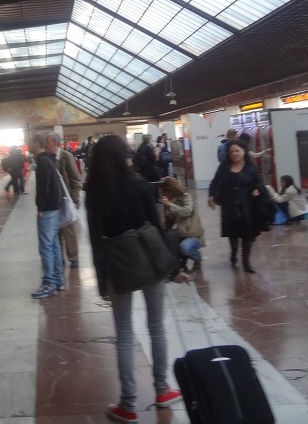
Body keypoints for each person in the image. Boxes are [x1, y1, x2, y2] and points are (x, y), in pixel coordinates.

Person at [85, 135, 182, 422]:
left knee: (124, 336)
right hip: (149, 260)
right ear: (122, 156)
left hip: (118, 266)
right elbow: (157, 225)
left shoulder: (94, 192)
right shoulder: (139, 184)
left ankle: (128, 404)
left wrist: (101, 279)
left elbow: (95, 239)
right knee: (156, 328)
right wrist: (173, 265)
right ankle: (162, 390)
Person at [208, 139, 266, 273]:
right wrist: (211, 195)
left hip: (247, 205)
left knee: (247, 235)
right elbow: (215, 182)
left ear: (244, 151)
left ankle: (246, 262)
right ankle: (233, 254)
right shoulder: (224, 167)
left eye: (237, 151)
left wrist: (257, 189)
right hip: (229, 205)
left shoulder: (251, 168)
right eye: (231, 152)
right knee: (232, 234)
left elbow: (259, 183)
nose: (234, 154)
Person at [29, 134, 64, 298]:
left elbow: (44, 187)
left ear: (37, 144)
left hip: (48, 210)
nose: (29, 146)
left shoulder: (42, 162)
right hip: (54, 208)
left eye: (31, 143)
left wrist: (41, 207)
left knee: (46, 247)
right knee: (54, 245)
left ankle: (48, 283)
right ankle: (58, 279)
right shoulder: (49, 160)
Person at [46, 133, 82, 268]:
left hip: (66, 199)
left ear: (55, 142)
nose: (46, 145)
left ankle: (73, 257)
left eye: (48, 142)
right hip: (54, 200)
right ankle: (59, 257)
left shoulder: (66, 156)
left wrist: (75, 199)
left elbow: (75, 178)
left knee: (69, 229)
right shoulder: (47, 157)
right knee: (56, 230)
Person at [159, 176, 204, 272]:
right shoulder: (171, 201)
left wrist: (170, 205)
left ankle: (198, 258)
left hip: (192, 234)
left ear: (169, 190)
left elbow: (187, 211)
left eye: (163, 192)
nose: (162, 195)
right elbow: (171, 221)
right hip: (181, 234)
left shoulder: (185, 197)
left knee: (184, 247)